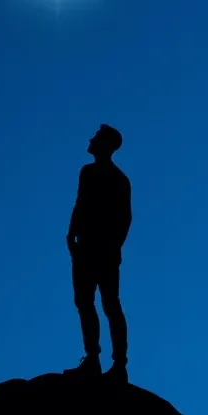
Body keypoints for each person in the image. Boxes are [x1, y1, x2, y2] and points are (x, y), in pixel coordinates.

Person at [65, 124, 130, 379]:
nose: (91, 139)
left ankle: (119, 364)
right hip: (84, 249)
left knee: (110, 304)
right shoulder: (87, 172)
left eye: (97, 137)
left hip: (104, 252)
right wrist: (71, 234)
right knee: (84, 302)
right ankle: (92, 358)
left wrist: (112, 247)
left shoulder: (119, 180)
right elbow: (80, 204)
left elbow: (125, 218)